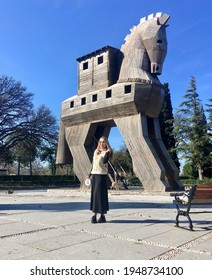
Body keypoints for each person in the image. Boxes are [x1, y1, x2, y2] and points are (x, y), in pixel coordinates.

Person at [88, 136, 113, 224]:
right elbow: (93, 164)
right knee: (95, 195)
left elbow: (104, 162)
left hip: (102, 176)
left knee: (100, 195)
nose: (101, 144)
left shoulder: (107, 152)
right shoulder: (96, 151)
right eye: (100, 142)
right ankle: (100, 216)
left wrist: (108, 152)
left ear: (106, 143)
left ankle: (96, 215)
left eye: (103, 142)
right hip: (94, 175)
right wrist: (89, 175)